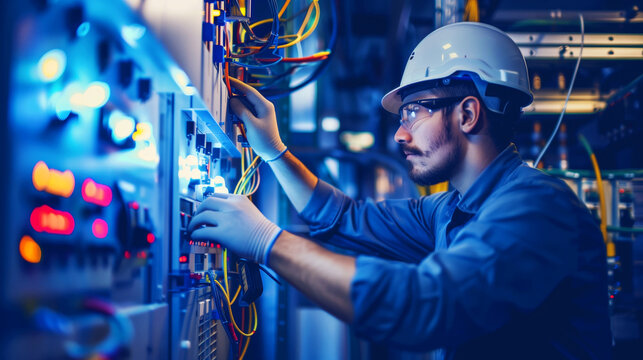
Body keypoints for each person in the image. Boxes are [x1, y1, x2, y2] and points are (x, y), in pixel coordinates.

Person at [188, 22, 611, 359]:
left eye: (413, 112)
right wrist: (277, 152)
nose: (401, 136)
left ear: (467, 113)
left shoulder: (539, 208)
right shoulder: (449, 210)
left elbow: (427, 306)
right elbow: (345, 219)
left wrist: (267, 242)